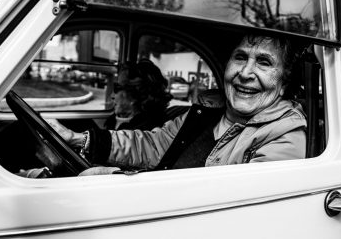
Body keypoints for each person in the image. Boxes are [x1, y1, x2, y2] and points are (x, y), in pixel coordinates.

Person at [48, 35, 307, 176]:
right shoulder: (203, 114)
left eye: (264, 62)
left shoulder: (284, 136)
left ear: (283, 84)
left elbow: (235, 209)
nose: (246, 72)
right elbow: (151, 145)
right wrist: (81, 140)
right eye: (240, 57)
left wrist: (117, 181)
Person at [105, 59, 172, 130]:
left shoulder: (148, 130)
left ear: (134, 95)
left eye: (117, 89)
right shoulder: (113, 120)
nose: (112, 96)